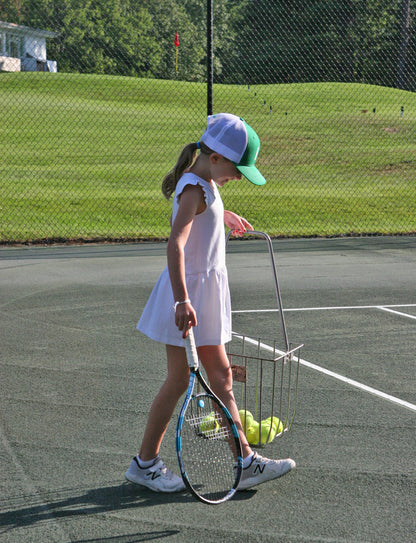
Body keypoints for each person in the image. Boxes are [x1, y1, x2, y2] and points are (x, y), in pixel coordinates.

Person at [125, 113, 295, 492]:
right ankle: (146, 463)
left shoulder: (205, 184)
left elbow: (204, 217)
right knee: (179, 380)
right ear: (215, 157)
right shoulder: (193, 188)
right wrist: (183, 300)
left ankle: (244, 460)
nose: (240, 176)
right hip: (189, 297)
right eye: (238, 168)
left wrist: (223, 217)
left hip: (202, 294)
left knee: (218, 377)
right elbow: (176, 243)